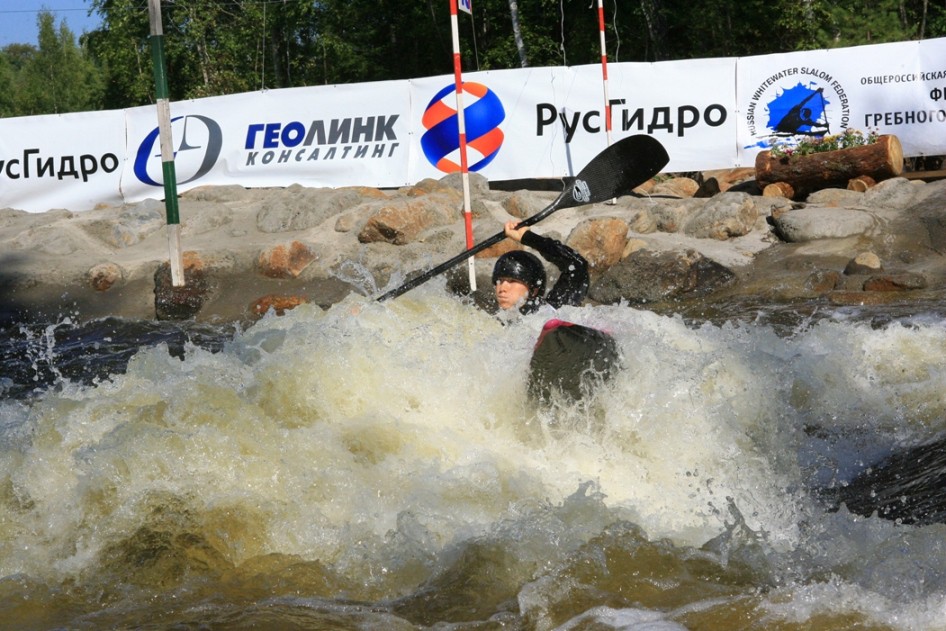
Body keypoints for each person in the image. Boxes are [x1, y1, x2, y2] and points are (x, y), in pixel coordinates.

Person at [492, 220, 589, 314]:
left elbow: (577, 265)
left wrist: (527, 237)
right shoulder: (495, 321)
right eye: (499, 281)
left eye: (512, 281)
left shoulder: (550, 313)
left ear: (534, 290)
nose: (502, 288)